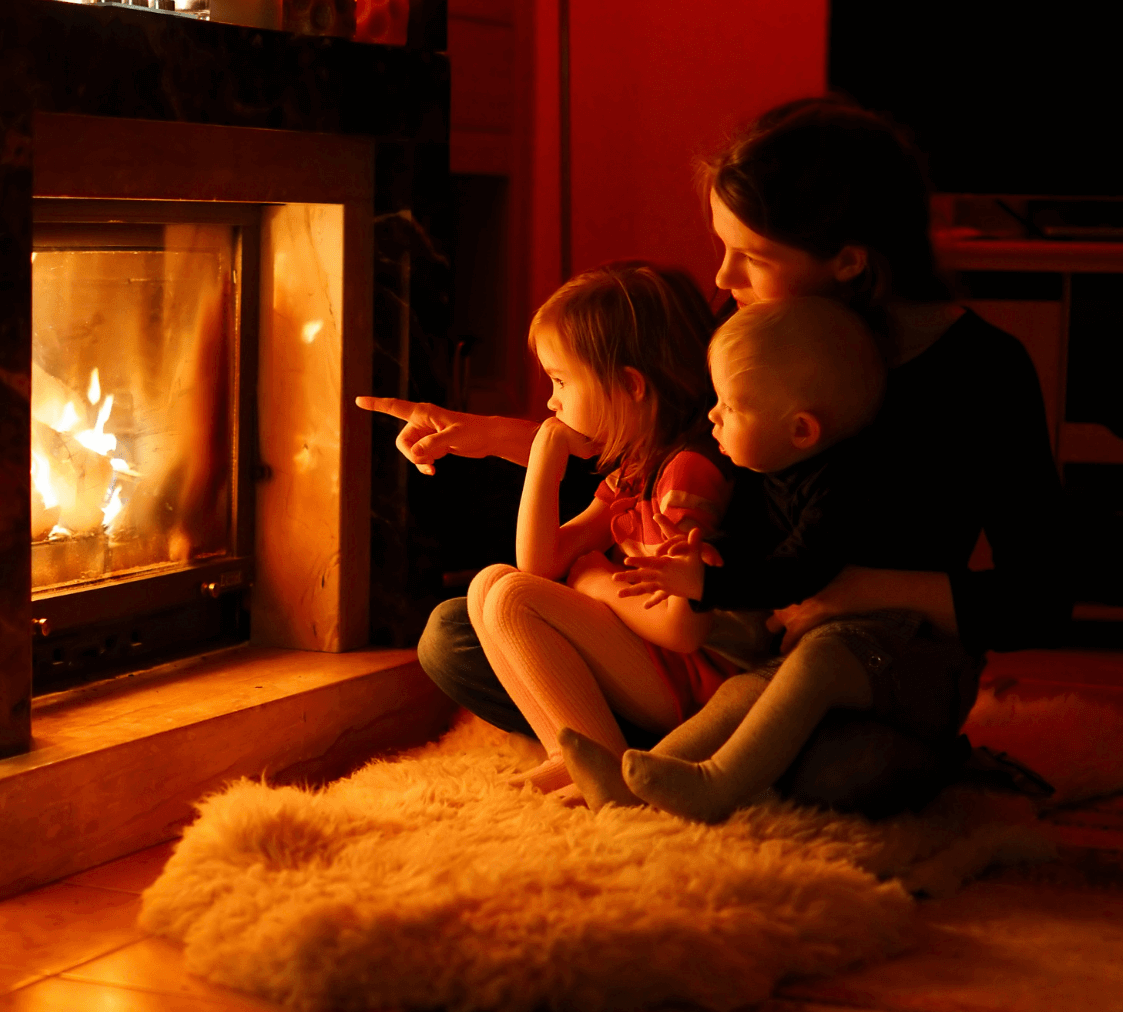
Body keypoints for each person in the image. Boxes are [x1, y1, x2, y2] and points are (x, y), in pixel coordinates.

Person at [365, 95, 1069, 817]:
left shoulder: (982, 371)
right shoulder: (745, 323)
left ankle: (687, 752)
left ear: (849, 263)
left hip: (858, 661)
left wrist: (849, 592)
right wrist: (491, 438)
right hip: (715, 645)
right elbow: (659, 458)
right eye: (722, 247)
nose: (724, 278)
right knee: (456, 634)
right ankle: (679, 753)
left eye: (751, 257)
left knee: (853, 768)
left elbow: (1041, 600)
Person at [559, 296, 975, 821]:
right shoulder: (768, 470)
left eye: (731, 407)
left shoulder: (843, 488)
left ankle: (715, 785)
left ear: (801, 429)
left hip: (901, 653)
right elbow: (751, 542)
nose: (711, 415)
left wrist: (706, 586)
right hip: (826, 642)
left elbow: (797, 572)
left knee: (816, 671)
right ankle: (632, 782)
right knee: (743, 690)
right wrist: (707, 554)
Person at [457, 261, 738, 797]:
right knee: (490, 584)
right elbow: (538, 563)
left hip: (695, 681)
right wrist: (546, 452)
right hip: (652, 662)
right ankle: (569, 755)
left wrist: (592, 581)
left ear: (630, 385)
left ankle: (603, 761)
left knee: (512, 596)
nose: (551, 400)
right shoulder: (636, 467)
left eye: (562, 381)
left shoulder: (688, 471)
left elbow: (686, 627)